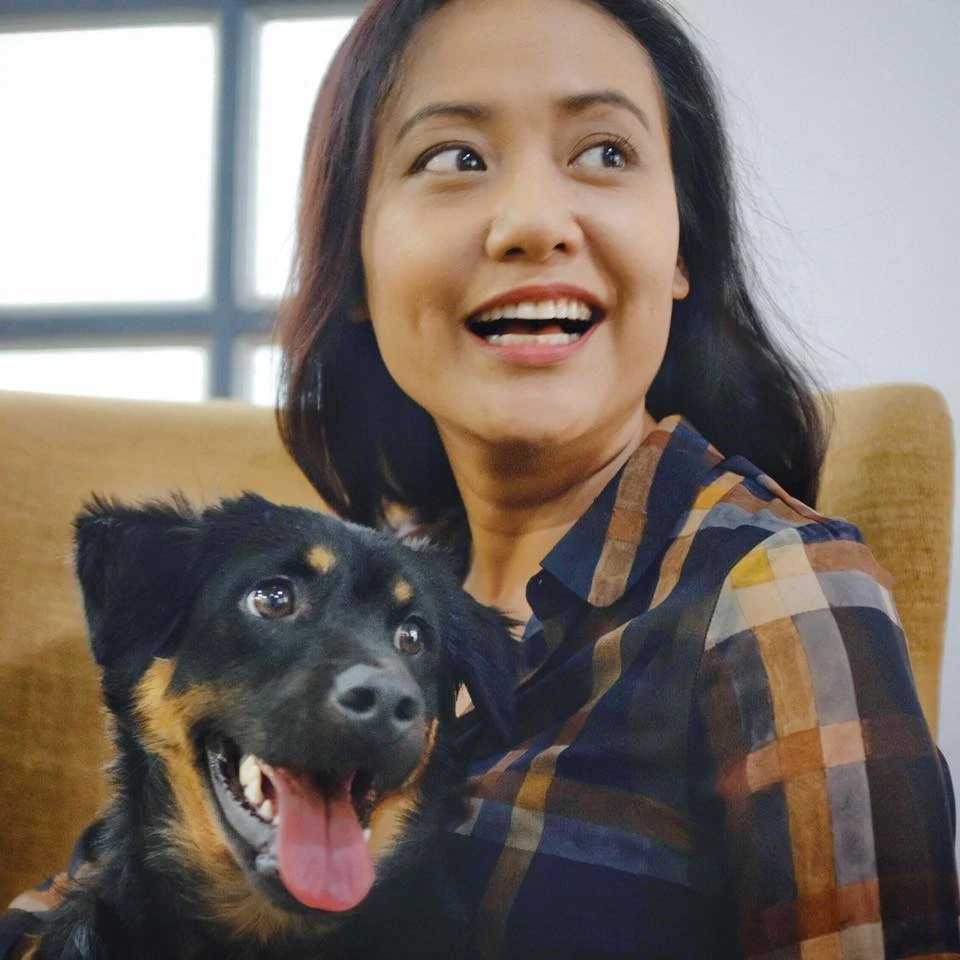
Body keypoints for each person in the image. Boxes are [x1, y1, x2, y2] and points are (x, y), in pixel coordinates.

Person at [2, 0, 957, 957]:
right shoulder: (379, 584)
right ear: (357, 263)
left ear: (682, 250)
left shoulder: (775, 591)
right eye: (454, 156)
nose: (533, 224)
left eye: (606, 152)